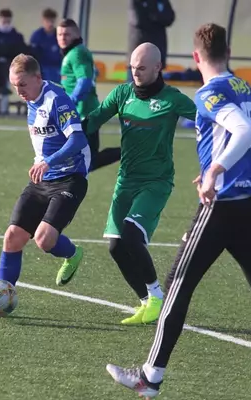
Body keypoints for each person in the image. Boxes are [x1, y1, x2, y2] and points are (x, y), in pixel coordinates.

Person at [106, 23, 251, 398]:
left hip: (223, 205)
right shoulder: (243, 87)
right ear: (227, 52)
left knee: (177, 284)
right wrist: (230, 167)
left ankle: (150, 378)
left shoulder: (208, 93)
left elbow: (245, 132)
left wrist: (216, 170)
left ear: (196, 57)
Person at [83, 43, 196, 326]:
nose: (135, 72)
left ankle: (157, 296)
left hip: (156, 181)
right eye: (132, 67)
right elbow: (94, 120)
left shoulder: (172, 99)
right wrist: (66, 131)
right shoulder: (122, 94)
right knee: (115, 246)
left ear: (158, 67)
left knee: (132, 236)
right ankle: (147, 301)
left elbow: (205, 119)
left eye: (142, 68)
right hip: (126, 180)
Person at [0, 54, 90, 317]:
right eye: (15, 86)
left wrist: (48, 161)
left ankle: (73, 254)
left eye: (23, 85)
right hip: (42, 179)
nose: (19, 91)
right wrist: (43, 164)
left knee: (44, 240)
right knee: (13, 237)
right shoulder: (31, 100)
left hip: (70, 178)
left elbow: (78, 140)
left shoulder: (57, 100)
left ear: (38, 77)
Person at [57, 19, 121, 172]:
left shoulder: (77, 53)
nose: (62, 37)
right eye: (59, 34)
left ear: (76, 35)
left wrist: (71, 102)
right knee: (84, 160)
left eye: (67, 34)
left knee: (88, 161)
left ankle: (130, 149)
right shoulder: (74, 52)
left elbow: (84, 81)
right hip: (82, 112)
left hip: (84, 113)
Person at [0, 8, 27, 114]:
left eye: (8, 21)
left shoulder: (16, 36)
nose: (6, 23)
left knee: (8, 72)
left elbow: (19, 52)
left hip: (11, 65)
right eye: (3, 21)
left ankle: (3, 104)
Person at [128, 0, 175, 76]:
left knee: (156, 82)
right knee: (134, 82)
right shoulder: (137, 1)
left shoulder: (162, 1)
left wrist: (153, 16)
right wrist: (159, 18)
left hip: (157, 56)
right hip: (139, 57)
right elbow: (138, 20)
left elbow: (170, 18)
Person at [29, 8, 61, 84]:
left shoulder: (59, 35)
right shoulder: (37, 36)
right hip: (42, 69)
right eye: (47, 21)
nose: (50, 24)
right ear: (43, 21)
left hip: (57, 69)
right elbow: (32, 55)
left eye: (52, 21)